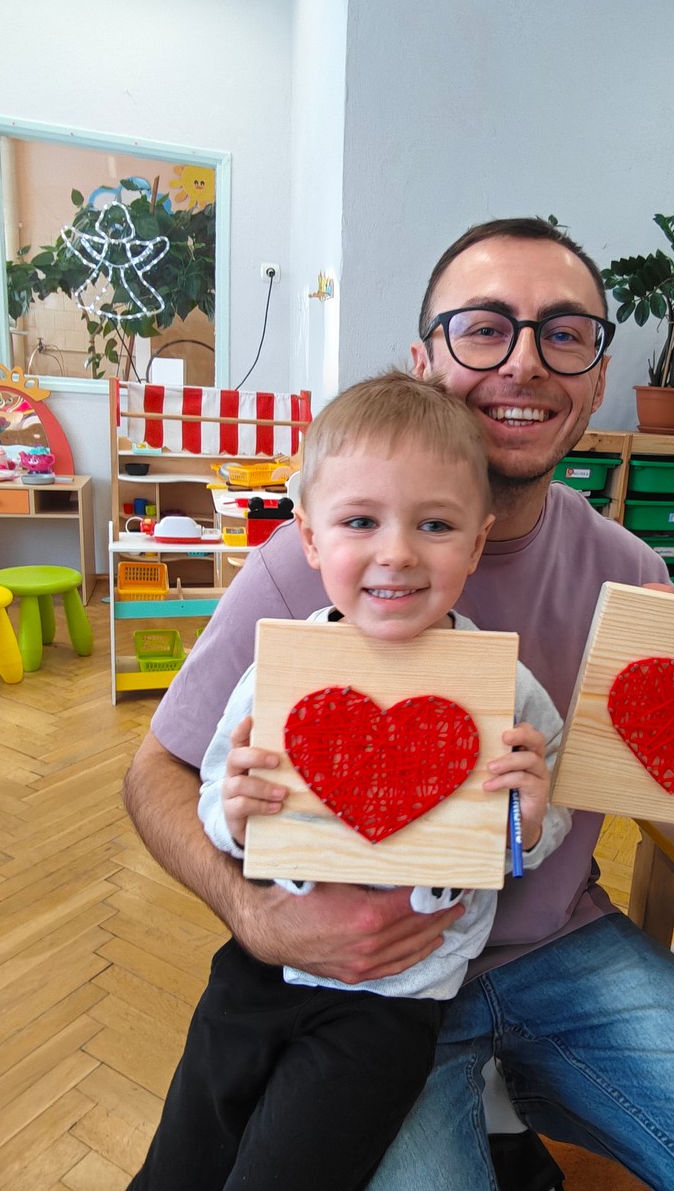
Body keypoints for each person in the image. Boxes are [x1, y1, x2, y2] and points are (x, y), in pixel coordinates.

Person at [124, 218, 674, 1189]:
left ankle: (523, 1120)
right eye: (484, 328)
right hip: (370, 981)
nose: (524, 363)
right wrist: (255, 915)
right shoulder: (308, 564)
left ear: (596, 377)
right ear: (425, 361)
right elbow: (160, 772)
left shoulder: (627, 570)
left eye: (564, 334)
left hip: (567, 952)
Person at [128, 374, 571, 1191]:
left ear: (477, 544)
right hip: (256, 972)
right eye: (361, 522)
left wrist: (532, 821)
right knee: (182, 1159)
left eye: (435, 525)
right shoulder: (282, 669)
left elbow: (537, 824)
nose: (396, 553)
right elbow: (216, 786)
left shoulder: (505, 689)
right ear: (308, 536)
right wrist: (233, 814)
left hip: (395, 1001)